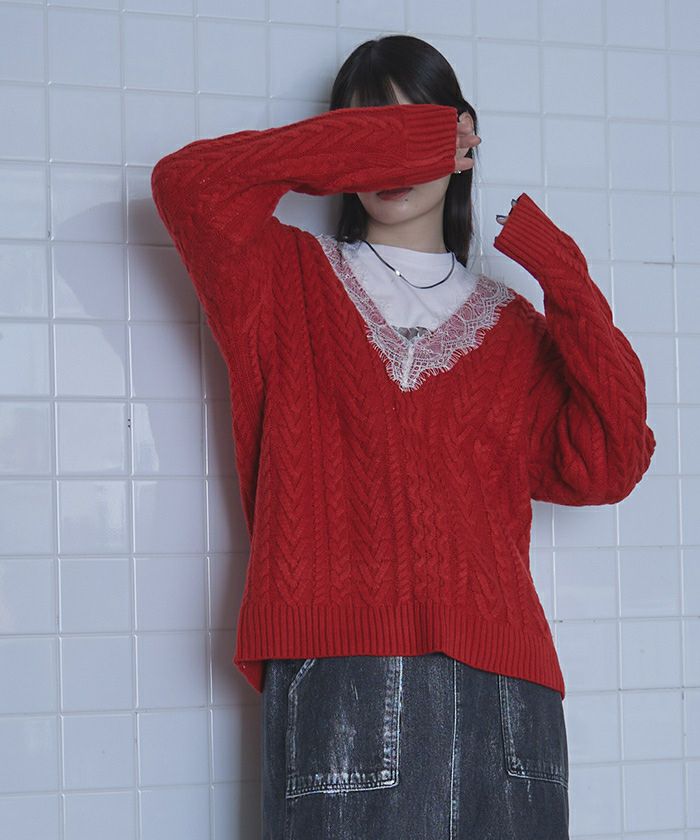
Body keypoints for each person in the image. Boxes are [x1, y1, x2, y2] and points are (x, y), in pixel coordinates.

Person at [150, 33, 655, 840]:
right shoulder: (281, 278)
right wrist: (380, 143)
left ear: (462, 140)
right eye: (367, 130)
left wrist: (564, 275)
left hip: (509, 698)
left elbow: (610, 461)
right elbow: (189, 185)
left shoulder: (515, 329)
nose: (391, 155)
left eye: (413, 127)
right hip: (342, 685)